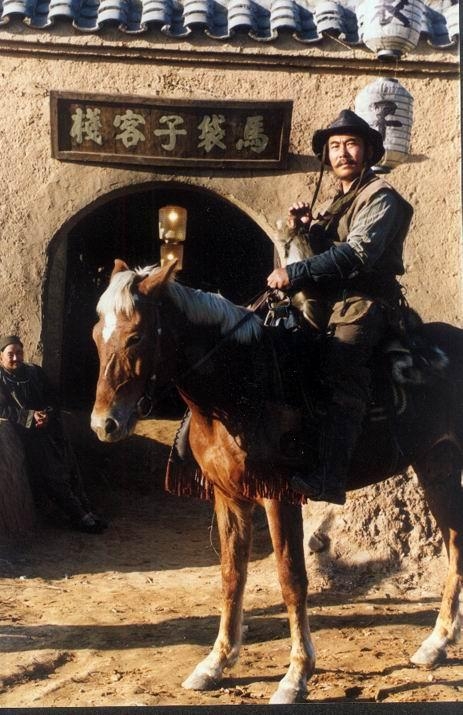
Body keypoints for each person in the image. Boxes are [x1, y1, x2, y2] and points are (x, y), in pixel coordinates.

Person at [267, 109, 413, 505]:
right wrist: (305, 229)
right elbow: (327, 250)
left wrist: (294, 272)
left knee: (340, 368)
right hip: (331, 302)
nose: (342, 153)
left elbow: (358, 253)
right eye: (334, 146)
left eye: (351, 144)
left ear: (367, 150)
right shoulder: (339, 200)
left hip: (364, 304)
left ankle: (330, 478)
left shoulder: (380, 196)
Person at [0, 335, 107, 533]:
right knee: (52, 475)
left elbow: (53, 397)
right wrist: (30, 417)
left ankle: (88, 511)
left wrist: (47, 414)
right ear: (1, 357)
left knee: (71, 469)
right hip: (29, 436)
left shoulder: (34, 372)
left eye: (19, 353)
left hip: (50, 428)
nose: (16, 358)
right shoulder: (1, 379)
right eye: (10, 354)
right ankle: (80, 517)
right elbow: (3, 409)